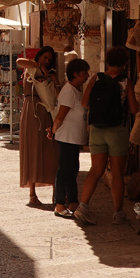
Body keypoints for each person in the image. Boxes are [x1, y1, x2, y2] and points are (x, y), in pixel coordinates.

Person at [73, 45, 138, 226]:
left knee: (95, 170)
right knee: (117, 173)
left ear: (108, 62)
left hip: (97, 130)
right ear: (124, 64)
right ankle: (118, 212)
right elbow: (134, 109)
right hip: (118, 130)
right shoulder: (126, 82)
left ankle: (83, 206)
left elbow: (85, 103)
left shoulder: (96, 78)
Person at [17, 46, 60, 207]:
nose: (47, 61)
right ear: (39, 56)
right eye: (45, 57)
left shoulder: (52, 73)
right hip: (31, 109)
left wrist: (53, 79)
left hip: (46, 110)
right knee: (32, 149)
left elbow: (56, 93)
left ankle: (56, 193)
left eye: (49, 59)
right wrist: (37, 65)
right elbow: (19, 61)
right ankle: (32, 193)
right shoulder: (31, 66)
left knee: (52, 150)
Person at [48, 57, 90, 218]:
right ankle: (59, 204)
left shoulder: (78, 90)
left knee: (73, 170)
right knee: (65, 170)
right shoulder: (69, 91)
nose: (87, 75)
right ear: (75, 74)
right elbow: (60, 116)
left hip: (74, 137)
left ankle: (73, 202)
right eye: (84, 72)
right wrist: (53, 131)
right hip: (66, 137)